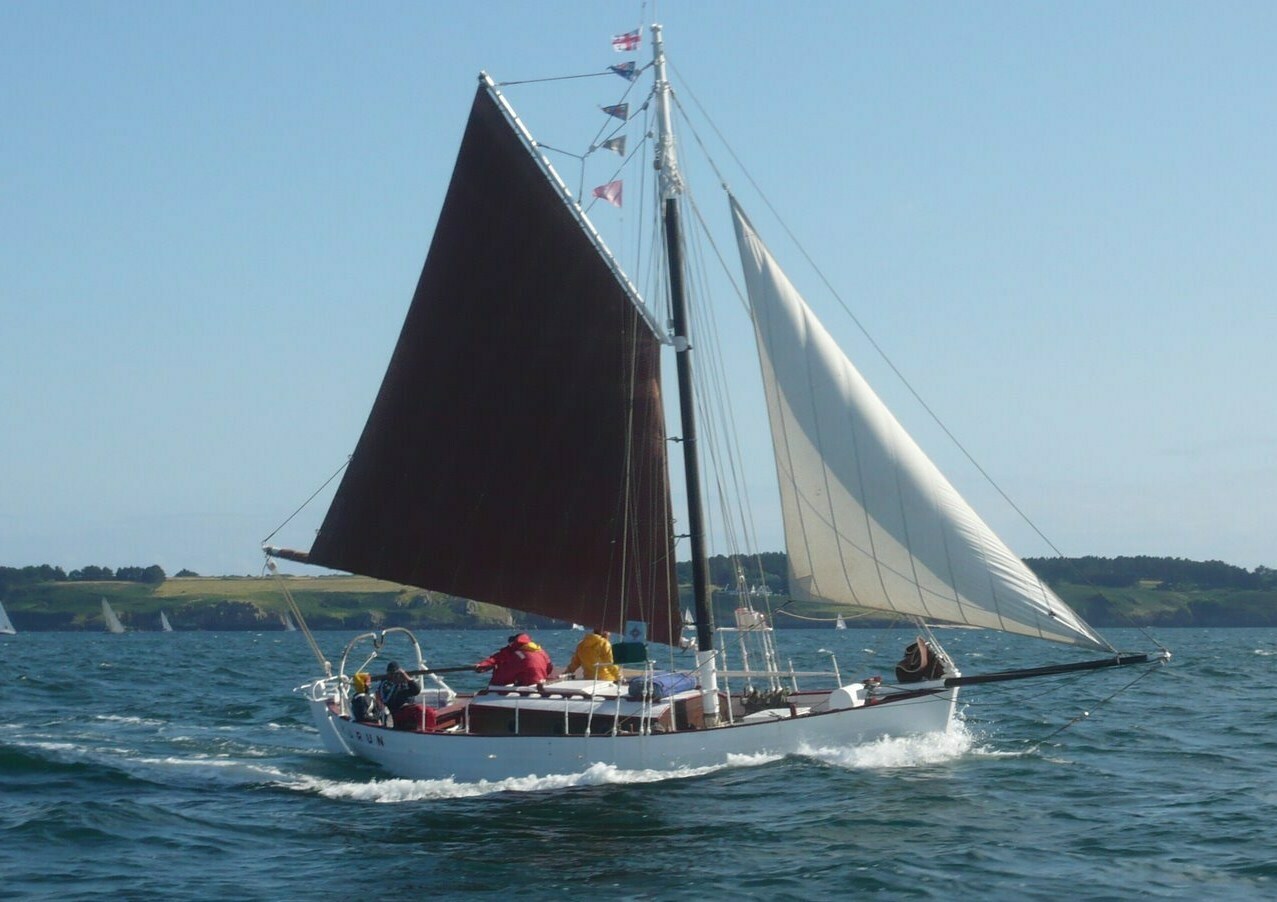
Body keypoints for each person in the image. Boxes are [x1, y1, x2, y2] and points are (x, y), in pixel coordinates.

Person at [475, 633, 553, 686]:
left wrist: (494, 677)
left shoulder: (517, 654)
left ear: (513, 643)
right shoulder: (540, 651)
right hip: (540, 682)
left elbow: (505, 674)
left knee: (497, 682)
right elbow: (549, 667)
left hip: (527, 686)